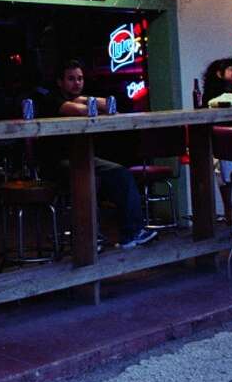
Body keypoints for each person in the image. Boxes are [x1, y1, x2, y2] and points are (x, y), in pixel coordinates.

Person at [38, 60, 158, 249]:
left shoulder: (78, 97)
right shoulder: (52, 99)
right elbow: (81, 111)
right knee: (92, 179)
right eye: (71, 79)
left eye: (80, 78)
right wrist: (87, 102)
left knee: (120, 173)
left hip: (81, 158)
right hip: (56, 163)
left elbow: (110, 105)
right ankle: (91, 240)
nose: (77, 83)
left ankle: (129, 234)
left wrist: (86, 99)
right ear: (60, 82)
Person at [201, 58, 232, 222]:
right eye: (231, 69)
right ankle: (230, 211)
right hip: (222, 139)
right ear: (219, 73)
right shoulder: (211, 94)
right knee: (224, 170)